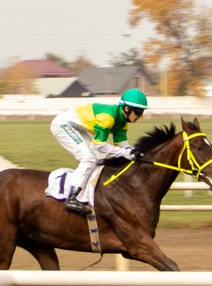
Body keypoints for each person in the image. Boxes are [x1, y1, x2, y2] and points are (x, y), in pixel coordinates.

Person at [49, 88, 148, 216]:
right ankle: (71, 197)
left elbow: (123, 146)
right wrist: (124, 153)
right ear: (126, 109)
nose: (141, 116)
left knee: (99, 158)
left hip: (77, 126)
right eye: (139, 112)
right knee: (89, 158)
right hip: (62, 124)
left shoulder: (123, 122)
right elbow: (98, 145)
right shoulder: (108, 117)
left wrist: (135, 152)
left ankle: (90, 194)